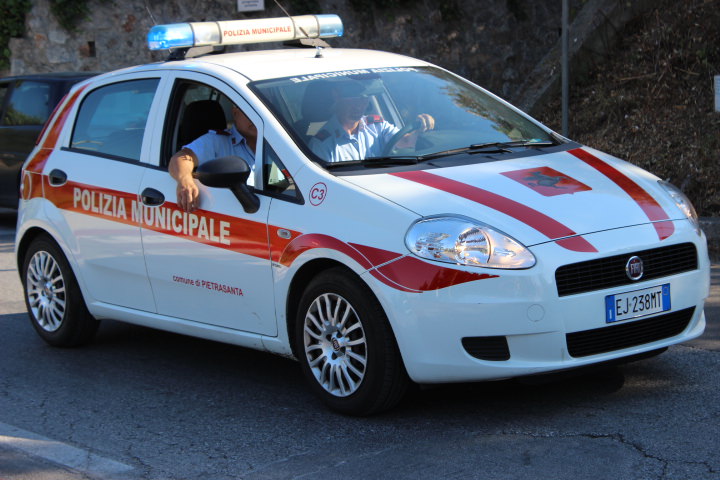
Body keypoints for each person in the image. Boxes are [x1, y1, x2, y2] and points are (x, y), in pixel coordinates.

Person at [309, 81, 434, 163]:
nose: (360, 105)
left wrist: (422, 126)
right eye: (354, 99)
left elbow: (406, 141)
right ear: (337, 96)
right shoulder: (323, 145)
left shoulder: (377, 126)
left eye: (365, 99)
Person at [169, 104, 257, 212]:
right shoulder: (216, 141)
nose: (256, 117)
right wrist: (185, 180)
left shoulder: (276, 143)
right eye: (250, 111)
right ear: (235, 113)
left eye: (260, 112)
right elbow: (181, 158)